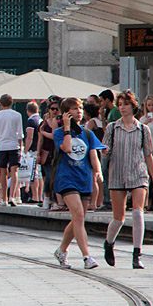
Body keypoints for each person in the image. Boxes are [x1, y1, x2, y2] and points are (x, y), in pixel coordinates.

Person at [102, 91, 153, 269]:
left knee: (137, 212)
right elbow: (105, 151)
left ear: (133, 106)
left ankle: (137, 254)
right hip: (117, 174)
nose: (122, 107)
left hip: (138, 173)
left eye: (126, 104)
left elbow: (148, 155)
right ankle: (109, 243)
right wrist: (104, 152)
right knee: (118, 218)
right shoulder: (112, 127)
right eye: (120, 104)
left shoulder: (143, 129)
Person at [52, 97, 106, 270]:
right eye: (74, 109)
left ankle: (61, 250)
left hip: (83, 178)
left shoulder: (87, 133)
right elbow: (67, 148)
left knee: (78, 217)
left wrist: (98, 172)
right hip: (66, 178)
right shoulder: (59, 133)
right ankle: (87, 257)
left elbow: (93, 155)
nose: (79, 112)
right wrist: (67, 128)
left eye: (80, 108)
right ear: (66, 113)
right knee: (78, 214)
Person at [0, 94, 24, 206]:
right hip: (14, 145)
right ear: (12, 103)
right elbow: (20, 133)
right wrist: (21, 147)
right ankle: (12, 197)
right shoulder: (17, 115)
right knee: (14, 171)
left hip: (2, 146)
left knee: (3, 173)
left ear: (0, 103)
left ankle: (4, 199)